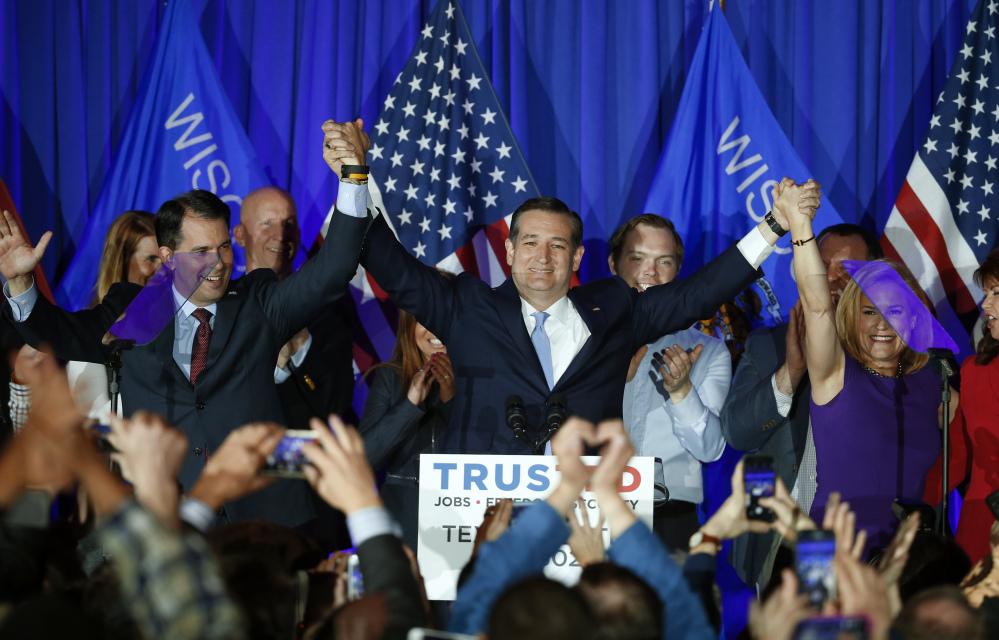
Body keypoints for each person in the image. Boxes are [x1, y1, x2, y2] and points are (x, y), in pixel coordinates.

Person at [323, 121, 821, 454]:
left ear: (577, 257)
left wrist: (775, 225)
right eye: (531, 243)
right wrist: (354, 178)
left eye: (558, 246)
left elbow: (699, 293)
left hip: (585, 519)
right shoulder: (465, 305)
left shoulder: (617, 306)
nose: (543, 257)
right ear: (512, 252)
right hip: (482, 521)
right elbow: (390, 264)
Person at [0, 123, 369, 526]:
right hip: (170, 517)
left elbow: (333, 270)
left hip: (264, 523)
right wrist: (19, 282)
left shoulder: (257, 302)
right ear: (169, 256)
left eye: (224, 246)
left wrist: (353, 177)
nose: (218, 262)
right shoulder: (139, 310)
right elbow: (59, 336)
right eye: (201, 251)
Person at [721, 221, 884, 588]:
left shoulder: (888, 348)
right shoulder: (767, 344)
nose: (829, 278)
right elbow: (737, 433)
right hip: (779, 535)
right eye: (820, 263)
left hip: (857, 536)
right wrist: (791, 372)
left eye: (847, 270)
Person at [785, 178, 941, 555]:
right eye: (870, 311)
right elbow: (818, 305)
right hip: (835, 554)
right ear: (852, 318)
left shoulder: (934, 383)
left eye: (896, 310)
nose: (883, 324)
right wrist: (800, 225)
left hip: (910, 556)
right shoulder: (836, 374)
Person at [607, 213, 731, 554]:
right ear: (613, 264)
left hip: (672, 519)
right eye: (637, 259)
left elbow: (710, 449)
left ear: (678, 271)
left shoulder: (708, 351)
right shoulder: (584, 340)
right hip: (594, 508)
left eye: (664, 261)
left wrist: (681, 392)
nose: (651, 272)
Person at [234, 186, 357, 426]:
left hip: (302, 458)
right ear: (240, 234)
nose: (280, 234)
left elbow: (337, 403)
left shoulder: (327, 309)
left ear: (299, 235)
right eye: (267, 223)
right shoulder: (220, 305)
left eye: (289, 224)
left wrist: (301, 342)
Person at [357, 271, 456, 551]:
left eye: (444, 318)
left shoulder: (483, 380)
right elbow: (364, 459)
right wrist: (410, 403)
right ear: (410, 325)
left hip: (461, 523)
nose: (435, 331)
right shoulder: (390, 378)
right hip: (403, 526)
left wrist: (451, 402)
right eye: (425, 319)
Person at [925, 248, 999, 563]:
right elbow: (958, 455)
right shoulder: (975, 370)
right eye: (986, 293)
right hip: (981, 529)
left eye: (996, 292)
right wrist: (917, 508)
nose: (986, 305)